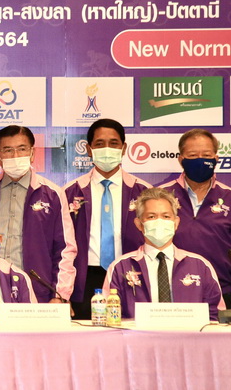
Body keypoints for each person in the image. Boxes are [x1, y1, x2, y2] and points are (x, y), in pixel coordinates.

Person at [0, 125, 77, 303]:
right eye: (8, 150)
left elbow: (65, 249)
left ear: (32, 153)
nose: (15, 156)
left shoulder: (52, 194)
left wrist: (59, 295)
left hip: (37, 291)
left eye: (22, 149)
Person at [63, 119, 150, 319]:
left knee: (132, 333)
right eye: (100, 144)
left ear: (124, 148)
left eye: (114, 143)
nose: (107, 149)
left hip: (131, 276)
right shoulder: (70, 193)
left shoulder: (144, 193)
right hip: (85, 279)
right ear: (89, 149)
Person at [160, 129, 231, 309]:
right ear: (180, 159)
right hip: (170, 294)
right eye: (192, 155)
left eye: (206, 155)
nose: (200, 160)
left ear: (216, 159)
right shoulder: (161, 196)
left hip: (222, 295)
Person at [103, 187, 224, 320]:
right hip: (138, 333)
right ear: (139, 224)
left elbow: (217, 315)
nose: (159, 221)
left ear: (176, 223)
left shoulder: (200, 266)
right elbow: (108, 316)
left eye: (166, 216)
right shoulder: (120, 267)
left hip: (189, 333)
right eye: (151, 217)